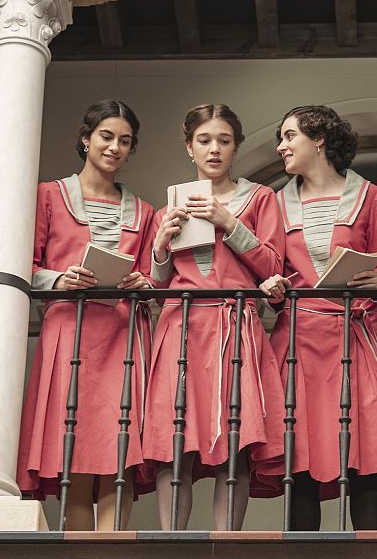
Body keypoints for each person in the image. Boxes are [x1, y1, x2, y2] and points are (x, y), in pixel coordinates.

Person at [142, 103, 286, 531]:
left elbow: (273, 266)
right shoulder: (169, 206)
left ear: (236, 147)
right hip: (180, 327)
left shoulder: (261, 198)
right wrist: (160, 246)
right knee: (174, 444)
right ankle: (172, 543)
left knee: (234, 444)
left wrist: (229, 223)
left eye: (224, 140)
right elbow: (158, 284)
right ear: (189, 147)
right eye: (204, 140)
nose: (214, 149)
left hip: (234, 326)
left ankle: (228, 544)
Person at [16, 100, 155, 531]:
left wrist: (143, 283)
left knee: (120, 447)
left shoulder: (145, 212)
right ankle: (79, 549)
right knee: (71, 447)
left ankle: (112, 548)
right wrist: (59, 279)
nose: (114, 147)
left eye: (124, 141)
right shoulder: (48, 195)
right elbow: (24, 267)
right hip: (69, 332)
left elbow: (152, 276)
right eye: (106, 136)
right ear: (85, 139)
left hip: (123, 333)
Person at [259, 105, 377, 531]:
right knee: (301, 458)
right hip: (299, 341)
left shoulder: (369, 195)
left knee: (365, 455)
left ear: (319, 139)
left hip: (357, 338)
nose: (281, 146)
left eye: (289, 136)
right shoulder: (275, 203)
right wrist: (273, 287)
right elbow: (271, 267)